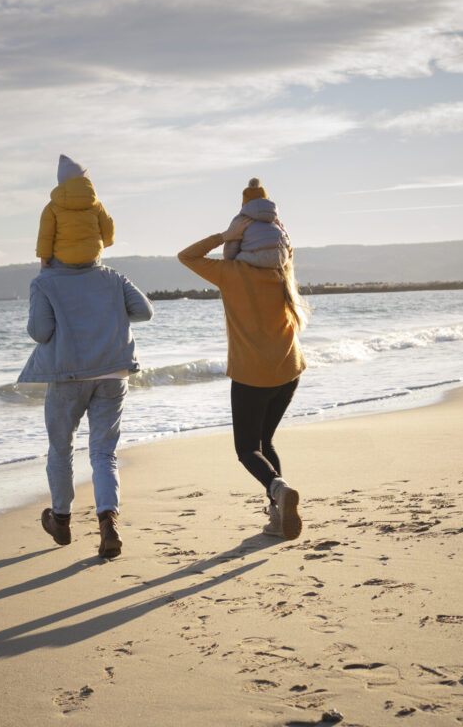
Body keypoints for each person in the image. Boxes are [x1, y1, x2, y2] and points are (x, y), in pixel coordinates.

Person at [18, 184, 153, 558]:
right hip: (113, 373)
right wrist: (107, 314)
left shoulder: (44, 282)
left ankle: (61, 521)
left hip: (68, 377)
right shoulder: (113, 278)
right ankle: (108, 523)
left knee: (61, 449)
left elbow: (40, 332)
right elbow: (144, 312)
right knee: (103, 453)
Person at [178, 208, 309, 539]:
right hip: (288, 371)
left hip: (252, 376)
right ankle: (278, 516)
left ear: (244, 246)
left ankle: (278, 490)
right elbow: (284, 249)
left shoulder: (230, 273)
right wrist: (278, 230)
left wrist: (225, 236)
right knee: (266, 441)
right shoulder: (283, 269)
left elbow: (186, 256)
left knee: (247, 449)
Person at [36, 155, 115, 267]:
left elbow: (45, 235)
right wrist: (105, 243)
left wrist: (44, 257)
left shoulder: (51, 208)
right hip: (91, 257)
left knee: (45, 278)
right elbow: (108, 228)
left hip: (63, 260)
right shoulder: (96, 205)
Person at [222, 177, 291, 269]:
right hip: (281, 258)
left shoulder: (241, 220)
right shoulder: (274, 219)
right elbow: (287, 243)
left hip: (256, 259)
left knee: (236, 261)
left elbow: (230, 252)